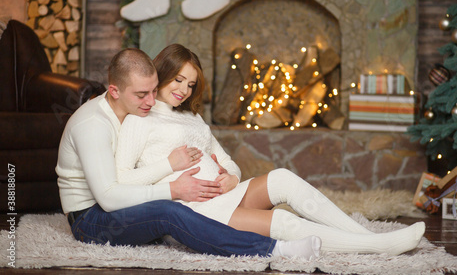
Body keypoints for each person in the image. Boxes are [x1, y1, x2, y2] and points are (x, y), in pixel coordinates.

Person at [115, 44, 426, 256]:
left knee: (282, 178)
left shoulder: (191, 116)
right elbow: (121, 181)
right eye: (178, 79)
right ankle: (377, 247)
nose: (183, 89)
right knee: (286, 224)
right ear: (162, 73)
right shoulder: (140, 120)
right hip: (198, 211)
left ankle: (369, 236)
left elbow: (228, 162)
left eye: (191, 84)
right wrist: (170, 165)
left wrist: (232, 179)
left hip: (224, 193)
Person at [55, 48, 321, 259]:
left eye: (153, 90)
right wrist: (174, 189)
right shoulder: (93, 125)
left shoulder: (130, 112)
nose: (151, 101)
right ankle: (274, 249)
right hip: (90, 220)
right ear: (114, 91)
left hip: (116, 204)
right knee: (169, 212)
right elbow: (109, 198)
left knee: (178, 209)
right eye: (141, 95)